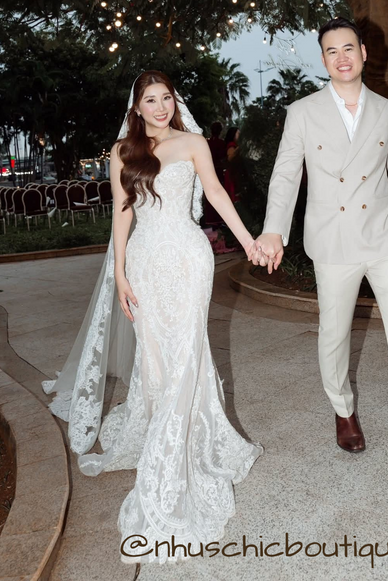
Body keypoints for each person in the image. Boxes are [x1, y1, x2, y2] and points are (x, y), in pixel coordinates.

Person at [43, 71, 263, 563]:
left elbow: (216, 196)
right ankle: (161, 419)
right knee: (156, 354)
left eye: (166, 98)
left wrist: (247, 241)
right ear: (136, 106)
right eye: (151, 100)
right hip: (143, 260)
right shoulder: (123, 151)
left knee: (187, 346)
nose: (161, 107)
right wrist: (120, 272)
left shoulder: (193, 143)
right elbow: (122, 211)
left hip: (188, 259)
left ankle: (176, 452)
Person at [254, 17, 388, 512]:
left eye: (348, 48)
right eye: (331, 51)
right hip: (333, 243)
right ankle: (342, 407)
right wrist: (273, 229)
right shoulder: (303, 113)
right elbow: (286, 175)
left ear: (363, 53)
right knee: (334, 336)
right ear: (324, 60)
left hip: (386, 238)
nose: (341, 57)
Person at [223, 126, 241, 203]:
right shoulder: (231, 145)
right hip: (232, 173)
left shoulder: (235, 145)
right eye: (238, 133)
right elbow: (230, 157)